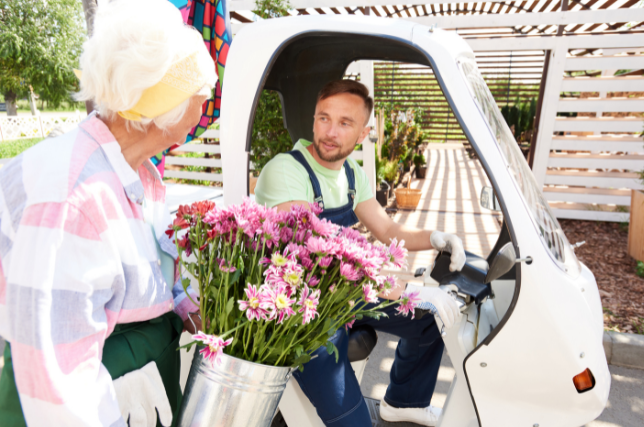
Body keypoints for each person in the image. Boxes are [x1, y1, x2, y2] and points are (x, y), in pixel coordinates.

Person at [0, 1, 216, 426]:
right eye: (201, 92)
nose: (206, 103)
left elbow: (124, 281)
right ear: (166, 106)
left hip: (132, 381)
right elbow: (59, 385)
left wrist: (179, 303)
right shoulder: (74, 198)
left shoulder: (132, 172)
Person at [254, 80, 468, 427]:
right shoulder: (286, 170)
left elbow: (387, 231)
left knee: (429, 320)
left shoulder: (351, 174)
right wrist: (404, 291)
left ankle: (404, 401)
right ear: (313, 121)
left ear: (363, 132)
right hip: (302, 314)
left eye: (344, 123)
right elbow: (316, 259)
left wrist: (437, 238)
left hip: (344, 296)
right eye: (324, 118)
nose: (330, 132)